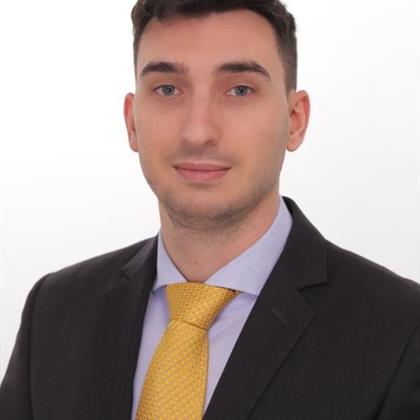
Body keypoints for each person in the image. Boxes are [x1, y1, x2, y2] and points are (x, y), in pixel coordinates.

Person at [1, 0, 419, 418]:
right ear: (132, 122)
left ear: (295, 120)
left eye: (240, 90)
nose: (198, 131)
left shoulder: (402, 330)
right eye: (167, 89)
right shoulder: (54, 311)